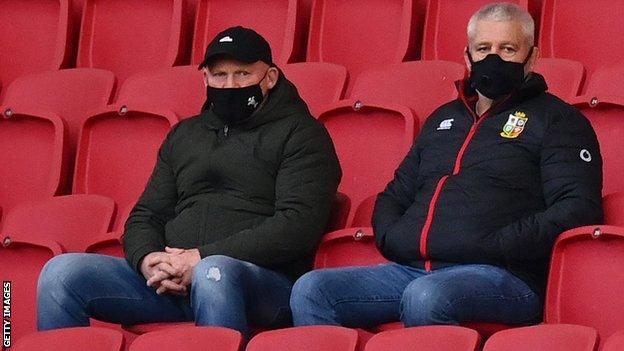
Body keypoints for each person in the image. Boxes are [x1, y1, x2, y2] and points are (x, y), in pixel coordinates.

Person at [290, 3, 603, 329]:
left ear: (533, 58)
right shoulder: (444, 118)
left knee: (426, 296)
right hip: (412, 270)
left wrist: (499, 244)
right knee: (312, 289)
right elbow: (395, 195)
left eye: (508, 49)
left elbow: (577, 207)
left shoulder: (558, 120)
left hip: (502, 276)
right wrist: (395, 238)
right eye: (483, 48)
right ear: (467, 57)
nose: (493, 58)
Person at [37, 26, 341, 337]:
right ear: (205, 79)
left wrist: (200, 259)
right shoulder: (185, 135)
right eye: (219, 75)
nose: (230, 84)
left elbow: (297, 226)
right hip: (169, 282)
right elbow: (146, 215)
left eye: (243, 74)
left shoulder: (302, 134)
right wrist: (149, 261)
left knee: (214, 273)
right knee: (60, 274)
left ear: (271, 78)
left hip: (262, 283)